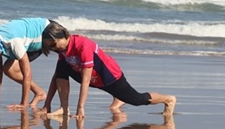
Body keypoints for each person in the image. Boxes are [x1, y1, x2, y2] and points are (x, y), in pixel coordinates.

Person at [39, 22, 176, 119]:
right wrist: (47, 105)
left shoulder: (83, 46)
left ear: (65, 34)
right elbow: (57, 78)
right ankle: (64, 108)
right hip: (92, 77)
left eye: (54, 44)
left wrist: (80, 107)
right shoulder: (62, 50)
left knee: (137, 99)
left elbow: (85, 79)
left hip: (109, 78)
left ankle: (168, 99)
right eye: (50, 47)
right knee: (61, 69)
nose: (54, 49)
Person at [0, 17, 54, 108]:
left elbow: (27, 74)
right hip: (27, 40)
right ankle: (39, 93)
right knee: (9, 69)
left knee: (12, 68)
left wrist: (23, 103)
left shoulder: (13, 42)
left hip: (47, 32)